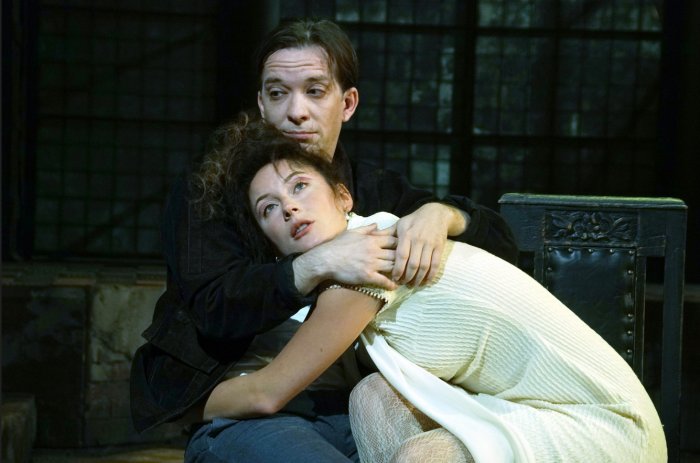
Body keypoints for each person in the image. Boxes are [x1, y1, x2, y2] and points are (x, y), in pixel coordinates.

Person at [130, 17, 517, 462]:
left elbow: (503, 249)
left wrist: (444, 214)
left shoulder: (371, 189)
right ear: (261, 104)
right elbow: (213, 307)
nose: (296, 111)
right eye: (278, 93)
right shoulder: (210, 190)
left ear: (347, 103)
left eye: (314, 91)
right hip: (252, 413)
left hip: (361, 404)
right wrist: (311, 266)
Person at [201, 117, 666, 463]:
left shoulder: (370, 258)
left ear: (343, 197)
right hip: (525, 410)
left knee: (423, 458)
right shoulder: (360, 252)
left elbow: (266, 395)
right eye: (269, 209)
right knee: (371, 396)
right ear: (273, 242)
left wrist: (189, 409)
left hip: (610, 430)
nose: (288, 208)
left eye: (300, 186)